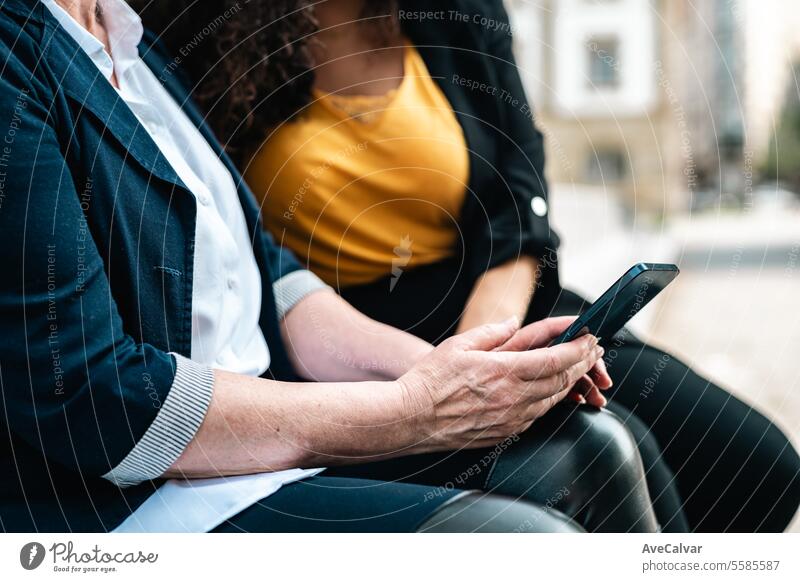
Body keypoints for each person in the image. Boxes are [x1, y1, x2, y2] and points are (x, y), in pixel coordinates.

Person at [0, 0, 660, 534]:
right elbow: (89, 395)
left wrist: (463, 373)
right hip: (141, 500)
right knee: (531, 545)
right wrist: (413, 409)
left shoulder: (130, 39)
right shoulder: (19, 56)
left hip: (260, 442)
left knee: (596, 450)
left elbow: (268, 270)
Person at [174, 0, 800, 532]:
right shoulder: (210, 29)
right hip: (345, 343)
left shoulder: (458, 10)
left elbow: (519, 195)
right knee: (605, 449)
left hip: (499, 302)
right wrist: (442, 375)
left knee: (758, 466)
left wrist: (485, 348)